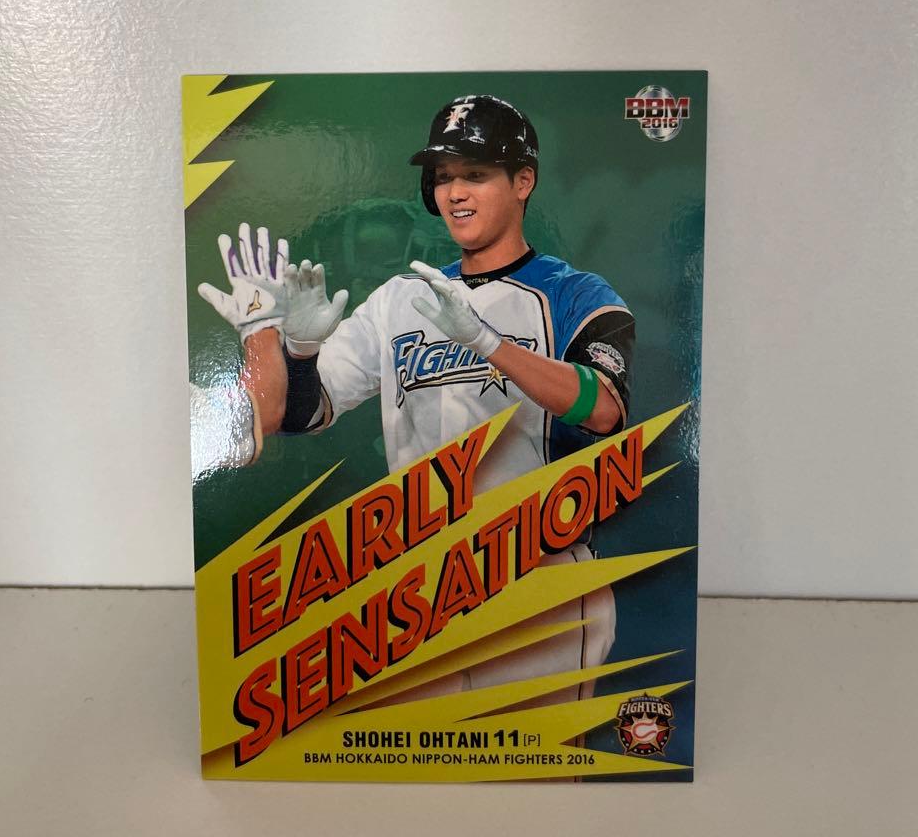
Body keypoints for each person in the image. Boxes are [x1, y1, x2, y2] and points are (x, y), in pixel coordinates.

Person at [197, 94, 635, 701]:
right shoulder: (400, 298)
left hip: (537, 576)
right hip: (421, 588)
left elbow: (605, 408)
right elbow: (299, 413)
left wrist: (488, 343)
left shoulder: (574, 293)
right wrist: (292, 346)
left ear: (523, 181)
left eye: (475, 174)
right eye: (444, 177)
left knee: (533, 758)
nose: (455, 192)